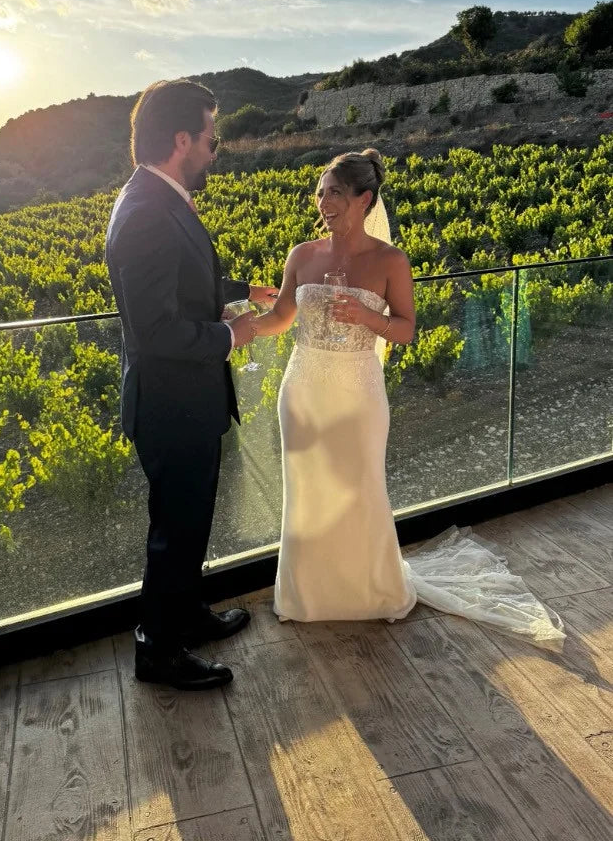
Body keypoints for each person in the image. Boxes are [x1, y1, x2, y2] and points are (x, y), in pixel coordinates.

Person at [252, 150, 565, 649]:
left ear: (364, 199)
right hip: (304, 389)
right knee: (308, 492)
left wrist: (366, 318)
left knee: (360, 488)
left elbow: (405, 331)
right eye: (320, 192)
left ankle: (373, 592)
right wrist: (231, 328)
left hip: (357, 390)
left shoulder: (390, 260)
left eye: (334, 191)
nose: (323, 201)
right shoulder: (302, 254)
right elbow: (280, 318)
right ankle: (304, 595)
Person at [105, 78, 278, 690]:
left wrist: (235, 294)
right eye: (210, 137)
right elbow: (155, 330)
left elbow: (180, 279)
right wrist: (236, 336)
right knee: (173, 532)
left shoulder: (157, 197)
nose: (215, 149)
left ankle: (184, 614)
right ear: (181, 139)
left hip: (187, 404)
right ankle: (157, 650)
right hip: (172, 407)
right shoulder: (150, 210)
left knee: (190, 520)